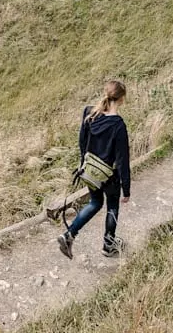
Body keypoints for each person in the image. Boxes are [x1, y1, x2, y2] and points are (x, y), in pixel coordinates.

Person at [57, 80, 132, 260]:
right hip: (109, 176)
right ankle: (108, 244)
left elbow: (82, 142)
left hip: (90, 170)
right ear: (121, 99)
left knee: (95, 202)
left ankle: (69, 234)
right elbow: (122, 160)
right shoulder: (118, 125)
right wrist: (126, 189)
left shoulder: (89, 113)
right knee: (112, 206)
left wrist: (83, 163)